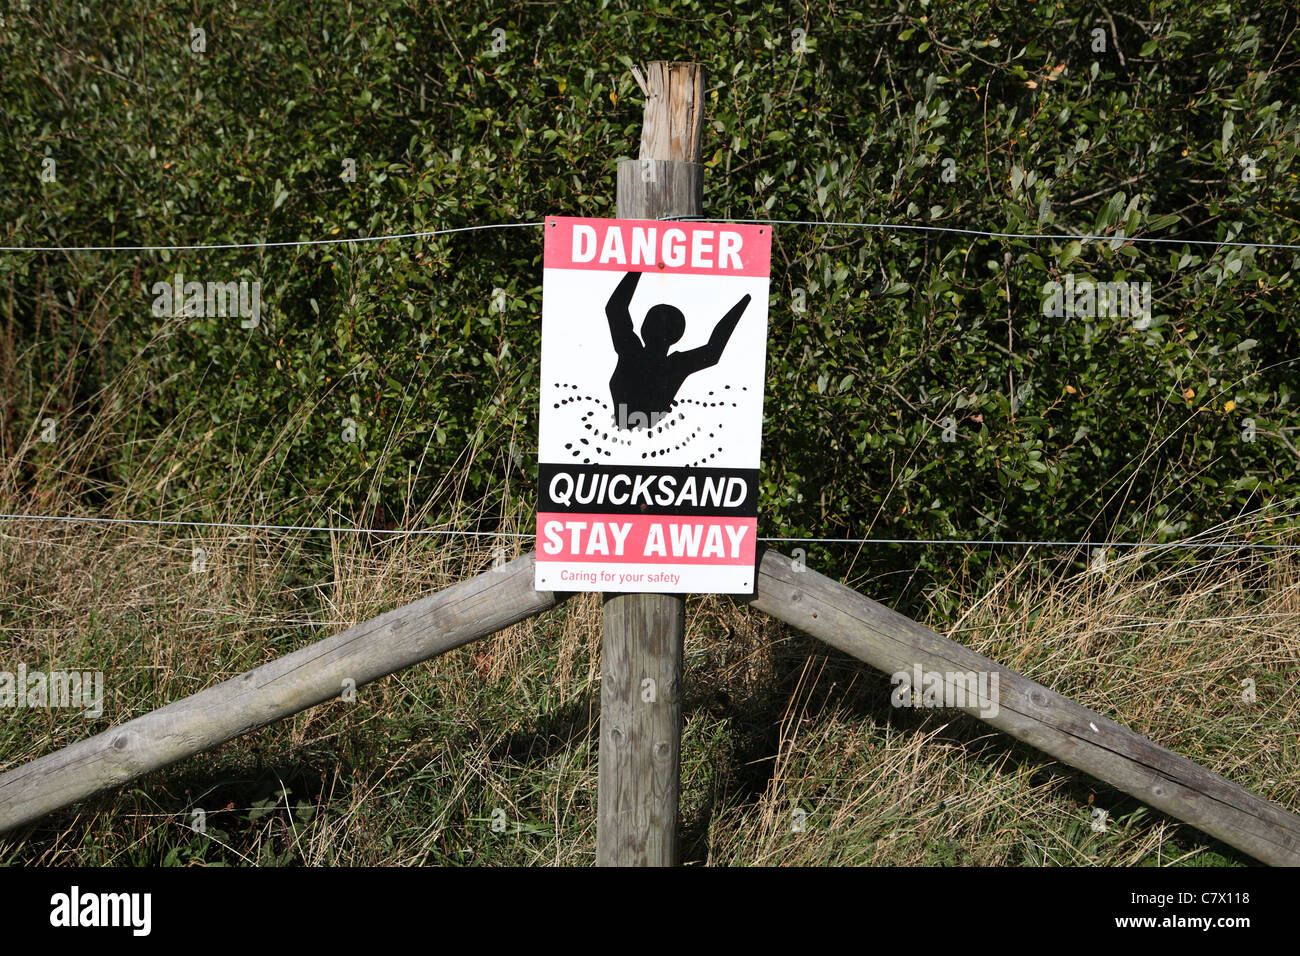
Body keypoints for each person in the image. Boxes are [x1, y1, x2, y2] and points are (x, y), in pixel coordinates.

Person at [604, 270, 750, 430]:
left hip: (628, 436)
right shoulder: (674, 365)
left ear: (645, 328)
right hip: (632, 436)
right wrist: (745, 301)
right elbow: (712, 351)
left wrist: (639, 267)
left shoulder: (631, 351)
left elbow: (615, 309)